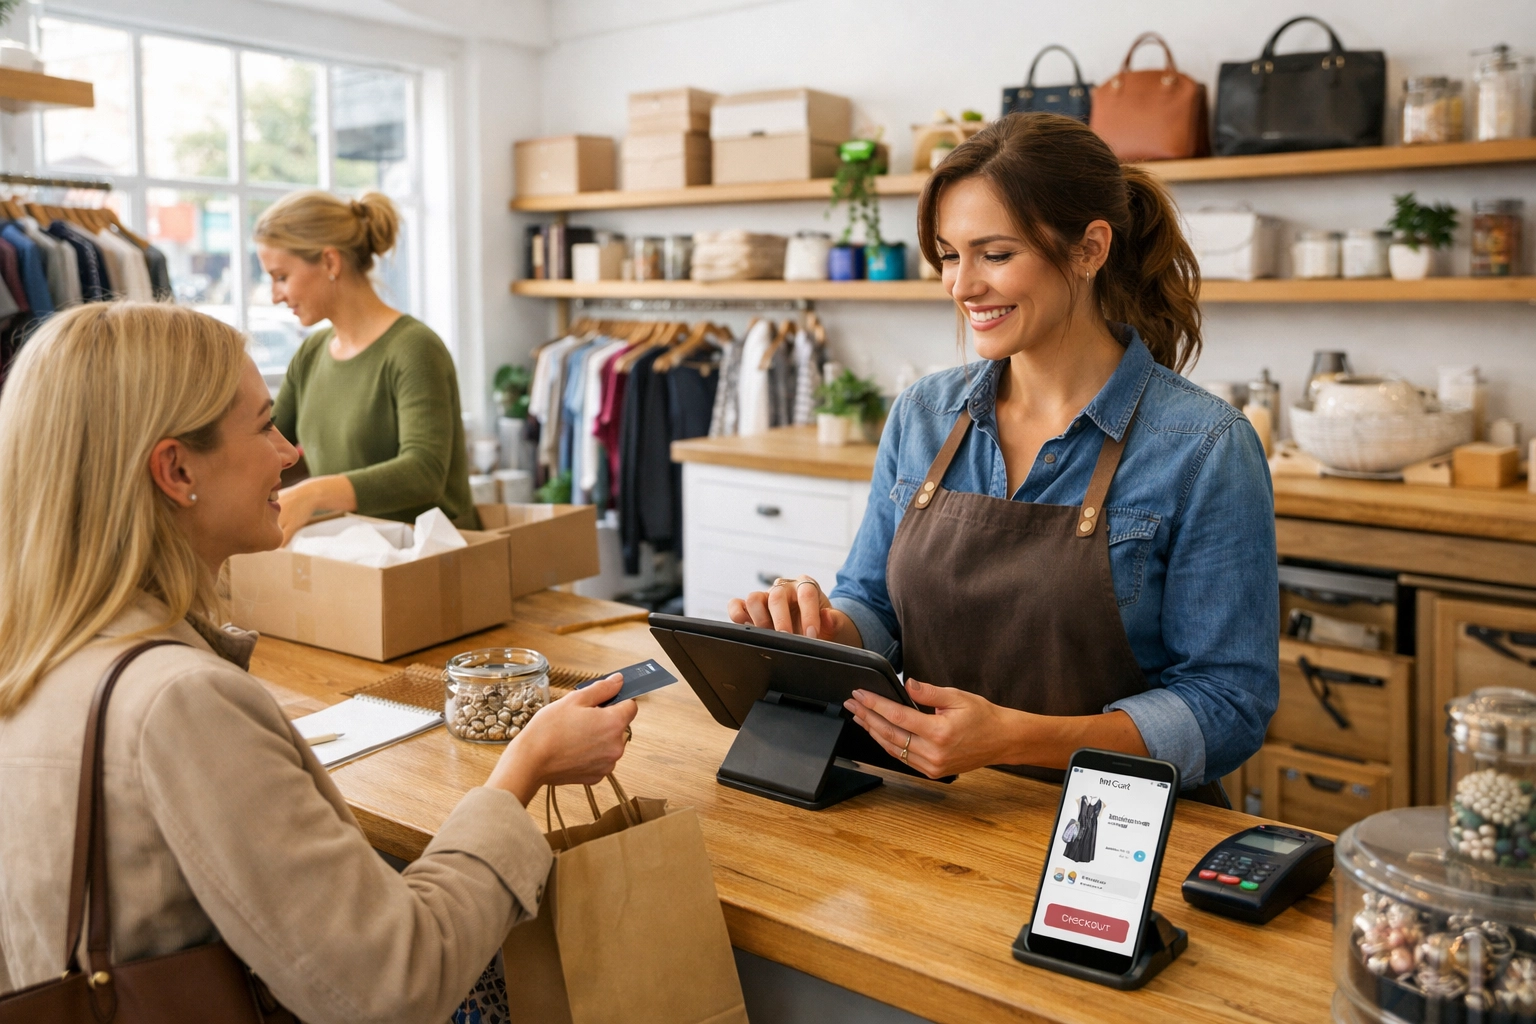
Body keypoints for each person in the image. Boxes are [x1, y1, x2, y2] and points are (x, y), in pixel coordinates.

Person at [0, 303, 639, 1022]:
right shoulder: (181, 702)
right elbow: (394, 983)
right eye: (264, 426)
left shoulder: (34, 660)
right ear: (176, 470)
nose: (289, 452)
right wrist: (524, 766)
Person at [728, 113, 1278, 802]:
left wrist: (1017, 738)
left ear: (1089, 249)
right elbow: (874, 603)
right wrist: (823, 629)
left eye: (993, 254)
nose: (962, 286)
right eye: (949, 256)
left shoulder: (1204, 446)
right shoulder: (923, 415)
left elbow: (1229, 704)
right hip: (938, 809)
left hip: (1117, 832)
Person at [256, 189, 479, 542]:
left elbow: (424, 472)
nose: (274, 296)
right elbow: (268, 441)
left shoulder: (414, 349)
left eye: (281, 277)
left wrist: (313, 493)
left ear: (330, 262)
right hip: (354, 552)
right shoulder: (311, 352)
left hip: (430, 557)